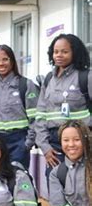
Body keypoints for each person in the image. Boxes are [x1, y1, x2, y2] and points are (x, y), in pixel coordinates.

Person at [35, 33, 91, 174]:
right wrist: (44, 146)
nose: (59, 55)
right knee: (56, 183)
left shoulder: (86, 77)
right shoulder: (48, 79)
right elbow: (41, 115)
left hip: (81, 140)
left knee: (82, 186)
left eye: (65, 52)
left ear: (75, 53)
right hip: (54, 142)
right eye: (56, 52)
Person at [0, 45, 39, 168]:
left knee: (18, 180)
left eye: (5, 59)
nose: (1, 63)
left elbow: (35, 118)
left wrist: (27, 144)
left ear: (12, 61)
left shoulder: (25, 84)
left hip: (19, 141)